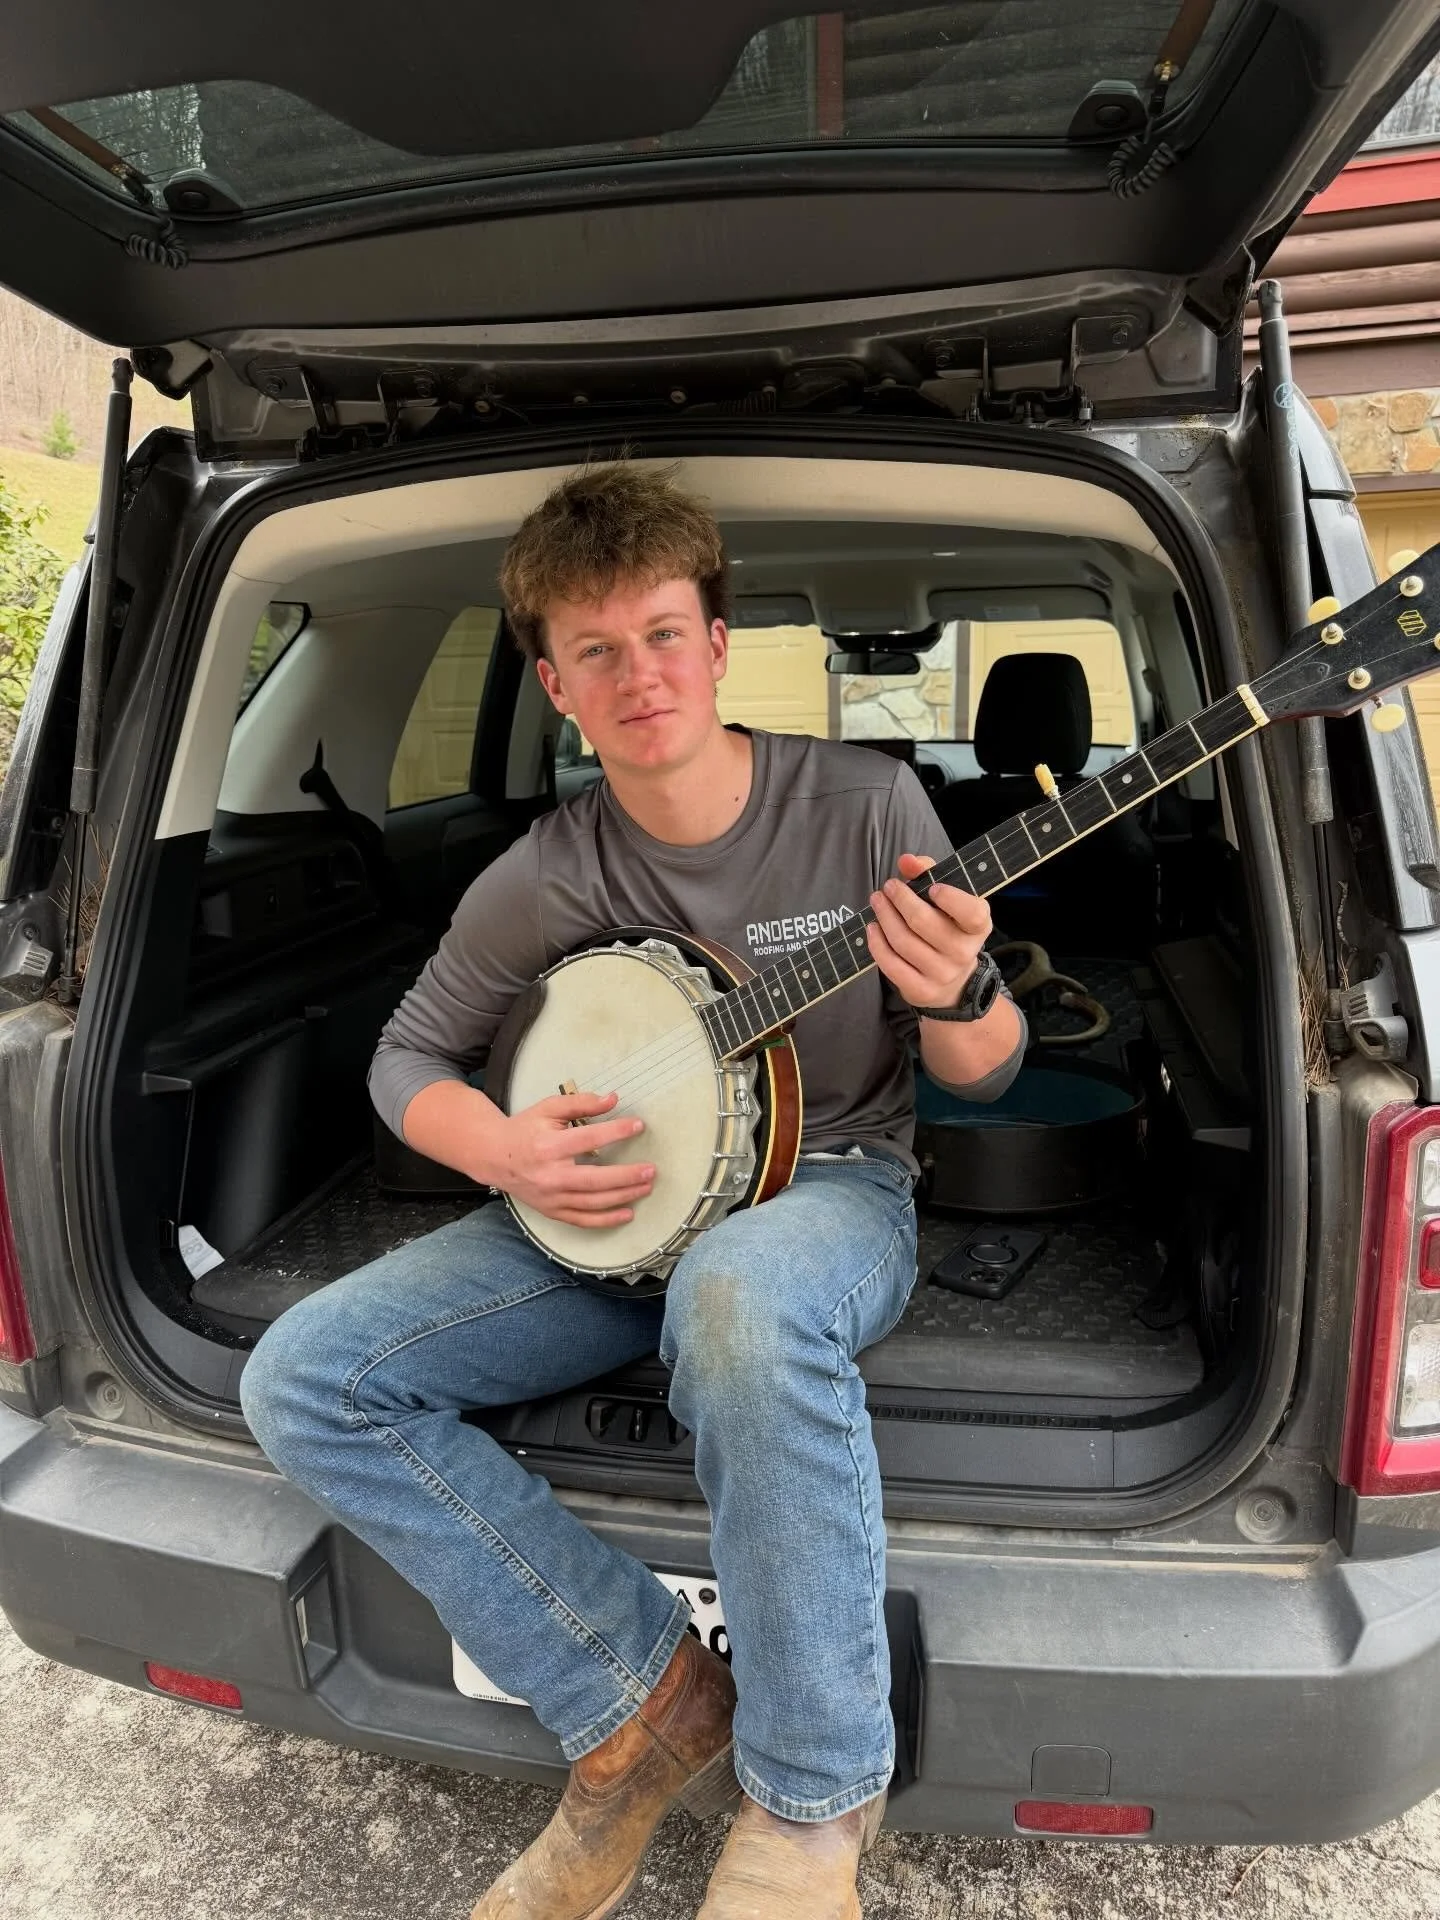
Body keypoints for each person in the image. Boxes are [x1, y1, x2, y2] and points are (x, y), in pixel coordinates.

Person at [241, 464, 1025, 1920]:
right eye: (595, 650)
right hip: (601, 1216)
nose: (639, 674)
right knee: (303, 1379)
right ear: (555, 685)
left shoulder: (865, 804)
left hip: (830, 1185)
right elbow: (407, 1056)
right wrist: (504, 1152)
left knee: (735, 1294)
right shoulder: (546, 873)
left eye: (664, 634)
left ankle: (810, 1806)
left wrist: (962, 990)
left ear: (717, 645)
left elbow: (983, 1072)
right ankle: (639, 1696)